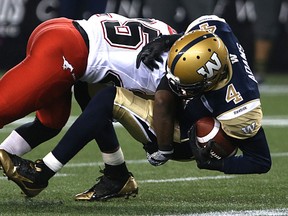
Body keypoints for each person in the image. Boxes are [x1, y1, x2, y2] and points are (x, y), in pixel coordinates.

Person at [0, 15, 271, 200]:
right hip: (71, 49)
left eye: (185, 85)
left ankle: (43, 173)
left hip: (181, 131)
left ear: (207, 80)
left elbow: (260, 159)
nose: (179, 87)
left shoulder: (240, 106)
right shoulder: (210, 36)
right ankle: (116, 174)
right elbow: (190, 45)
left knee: (98, 99)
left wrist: (212, 162)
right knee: (73, 103)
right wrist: (172, 40)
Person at [0, 13, 175, 198]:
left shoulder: (168, 32)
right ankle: (39, 175)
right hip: (66, 53)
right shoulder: (177, 74)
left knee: (52, 122)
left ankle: (117, 173)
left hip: (67, 30)